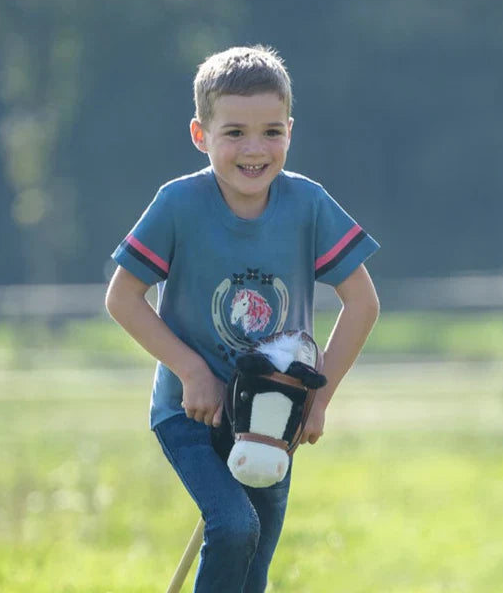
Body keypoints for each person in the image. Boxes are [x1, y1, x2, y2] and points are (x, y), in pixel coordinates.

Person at [105, 45, 380, 593]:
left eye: (271, 132)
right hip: (189, 412)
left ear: (290, 131)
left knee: (253, 564)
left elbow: (363, 303)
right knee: (233, 528)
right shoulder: (178, 205)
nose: (254, 149)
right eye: (234, 133)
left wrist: (318, 400)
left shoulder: (309, 205)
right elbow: (123, 297)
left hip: (274, 416)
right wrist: (190, 370)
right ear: (199, 134)